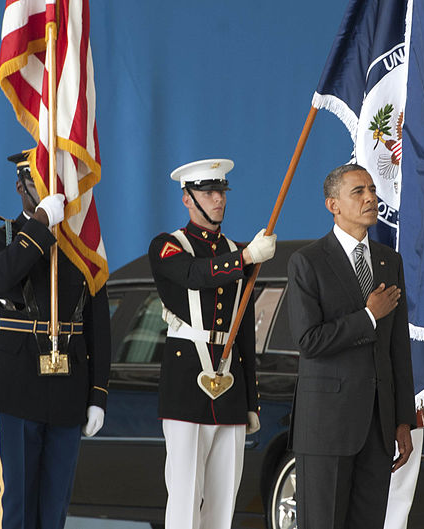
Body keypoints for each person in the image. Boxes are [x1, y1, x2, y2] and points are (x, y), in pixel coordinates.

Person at [0, 151, 111, 529]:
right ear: (20, 186)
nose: (52, 189)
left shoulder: (81, 245)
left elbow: (97, 320)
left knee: (55, 505)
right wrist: (41, 223)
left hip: (68, 383)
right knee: (15, 500)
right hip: (15, 382)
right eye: (39, 180)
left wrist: (98, 394)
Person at [286, 163, 417, 529]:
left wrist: (403, 419)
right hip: (327, 426)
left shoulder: (389, 261)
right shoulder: (307, 262)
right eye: (358, 192)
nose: (371, 198)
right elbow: (308, 340)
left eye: (372, 190)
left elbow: (398, 348)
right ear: (334, 205)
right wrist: (368, 316)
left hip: (378, 426)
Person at [148, 158, 276, 529]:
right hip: (187, 380)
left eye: (221, 191)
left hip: (231, 385)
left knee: (223, 502)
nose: (218, 199)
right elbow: (193, 275)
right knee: (185, 496)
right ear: (187, 199)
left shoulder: (237, 251)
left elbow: (244, 332)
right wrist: (247, 257)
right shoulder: (169, 245)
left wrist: (252, 401)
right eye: (207, 192)